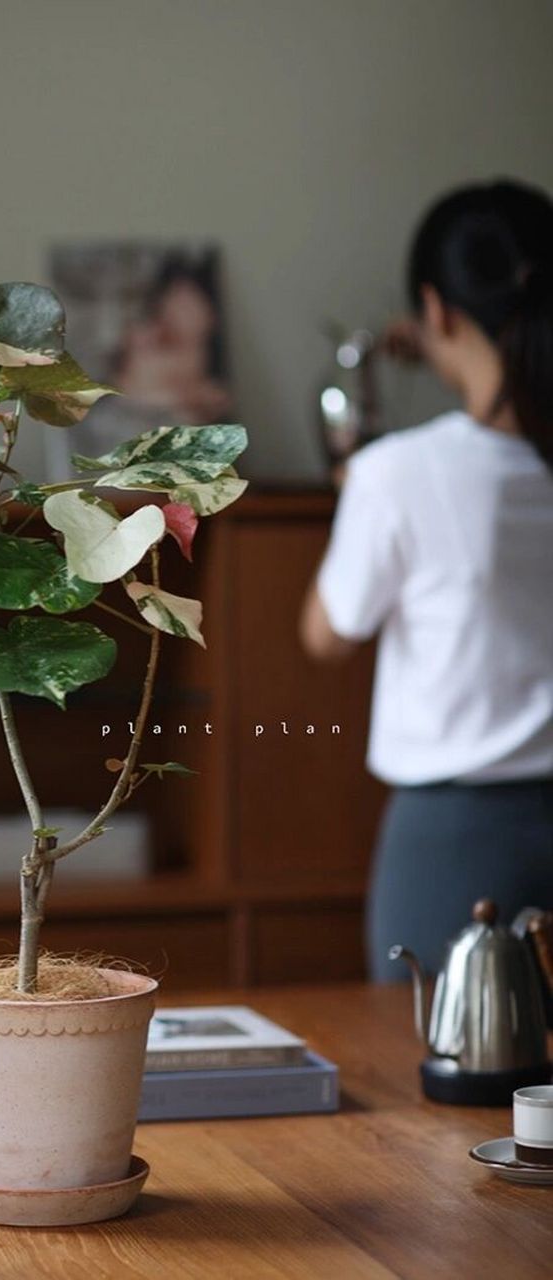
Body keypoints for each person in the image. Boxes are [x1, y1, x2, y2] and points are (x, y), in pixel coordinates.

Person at [300, 179, 553, 980]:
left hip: (457, 837)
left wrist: (356, 498)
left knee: (438, 1078)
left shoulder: (397, 474)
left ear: (436, 311)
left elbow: (328, 632)